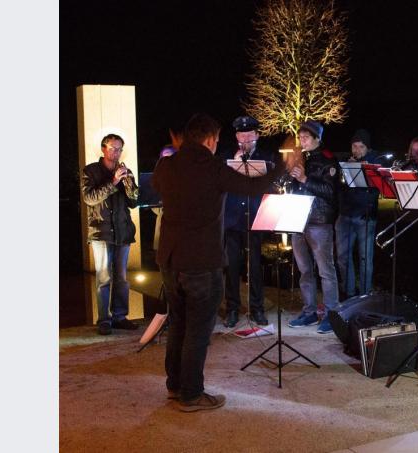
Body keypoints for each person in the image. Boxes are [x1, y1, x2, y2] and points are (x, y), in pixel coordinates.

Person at [153, 113, 276, 412]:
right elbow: (254, 187)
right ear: (209, 139)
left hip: (169, 260)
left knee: (179, 323)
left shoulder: (167, 165)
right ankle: (192, 394)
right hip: (201, 262)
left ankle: (175, 386)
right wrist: (286, 163)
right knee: (198, 329)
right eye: (217, 139)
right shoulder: (213, 168)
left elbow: (157, 185)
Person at [81, 133, 140, 335]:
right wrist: (114, 182)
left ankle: (120, 316)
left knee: (122, 278)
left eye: (119, 149)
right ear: (103, 149)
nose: (116, 153)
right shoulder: (90, 171)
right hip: (101, 231)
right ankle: (104, 320)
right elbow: (90, 198)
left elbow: (134, 202)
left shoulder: (125, 171)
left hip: (123, 231)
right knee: (104, 277)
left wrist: (129, 185)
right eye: (113, 148)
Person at [286, 121, 341, 334]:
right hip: (298, 219)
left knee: (326, 270)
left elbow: (330, 191)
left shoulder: (328, 160)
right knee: (304, 270)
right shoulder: (301, 157)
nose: (302, 141)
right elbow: (294, 186)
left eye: (306, 138)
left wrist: (304, 178)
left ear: (317, 139)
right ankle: (309, 311)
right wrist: (291, 179)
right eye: (301, 138)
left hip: (319, 221)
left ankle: (331, 314)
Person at [222, 116, 271, 328]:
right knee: (231, 267)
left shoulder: (266, 157)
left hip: (255, 219)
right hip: (232, 220)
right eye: (242, 136)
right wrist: (234, 160)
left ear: (257, 136)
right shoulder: (226, 157)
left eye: (250, 136)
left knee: (255, 267)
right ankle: (232, 308)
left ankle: (257, 308)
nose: (246, 140)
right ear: (236, 136)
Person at [336, 129, 380, 299]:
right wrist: (346, 170)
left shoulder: (374, 163)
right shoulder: (345, 162)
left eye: (361, 147)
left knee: (365, 259)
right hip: (345, 214)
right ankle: (349, 293)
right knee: (342, 256)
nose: (357, 150)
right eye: (354, 146)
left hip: (365, 216)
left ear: (367, 148)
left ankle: (365, 295)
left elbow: (377, 188)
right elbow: (338, 187)